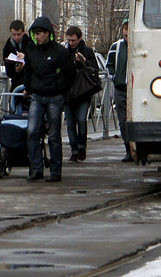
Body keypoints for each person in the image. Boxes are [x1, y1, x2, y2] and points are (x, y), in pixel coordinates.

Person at [16, 15, 73, 182]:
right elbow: (28, 71)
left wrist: (61, 89)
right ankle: (36, 168)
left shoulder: (60, 52)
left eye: (40, 33)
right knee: (32, 131)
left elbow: (70, 73)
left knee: (54, 135)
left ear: (48, 33)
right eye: (35, 33)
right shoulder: (31, 50)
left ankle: (55, 171)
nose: (38, 36)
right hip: (37, 96)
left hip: (54, 97)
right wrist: (28, 87)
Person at [63, 25, 99, 163]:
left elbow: (95, 70)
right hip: (68, 92)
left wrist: (84, 62)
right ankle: (74, 150)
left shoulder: (87, 51)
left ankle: (82, 147)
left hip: (83, 92)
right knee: (71, 123)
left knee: (82, 119)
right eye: (69, 40)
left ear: (79, 38)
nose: (71, 43)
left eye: (73, 40)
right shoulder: (65, 52)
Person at [107, 20, 132, 161]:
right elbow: (109, 64)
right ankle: (128, 148)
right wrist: (115, 77)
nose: (127, 33)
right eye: (125, 30)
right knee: (122, 121)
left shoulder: (139, 46)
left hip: (136, 89)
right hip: (121, 88)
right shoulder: (116, 47)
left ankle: (138, 147)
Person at [1, 19, 35, 93]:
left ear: (23, 32)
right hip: (16, 84)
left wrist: (26, 57)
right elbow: (9, 72)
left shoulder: (31, 44)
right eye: (14, 34)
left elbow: (37, 62)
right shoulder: (7, 47)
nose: (16, 37)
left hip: (31, 84)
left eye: (19, 34)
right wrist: (16, 71)